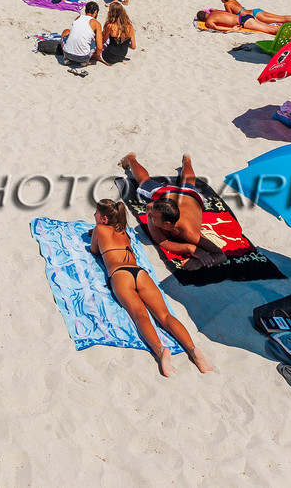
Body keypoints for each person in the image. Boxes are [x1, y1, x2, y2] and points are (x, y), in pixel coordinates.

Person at [90, 198, 214, 376]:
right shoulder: (123, 232)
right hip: (139, 273)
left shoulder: (99, 229)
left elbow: (94, 250)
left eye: (97, 213)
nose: (94, 215)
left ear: (104, 219)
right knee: (165, 315)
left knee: (140, 315)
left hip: (120, 274)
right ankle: (193, 349)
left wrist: (94, 235)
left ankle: (161, 351)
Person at [119, 154, 227, 270]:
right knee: (144, 182)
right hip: (170, 194)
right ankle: (131, 159)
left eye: (153, 216)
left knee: (189, 184)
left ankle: (187, 162)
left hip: (191, 197)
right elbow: (161, 241)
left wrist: (198, 263)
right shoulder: (152, 208)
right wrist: (189, 248)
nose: (148, 215)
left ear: (167, 224)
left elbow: (221, 255)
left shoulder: (190, 233)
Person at [60, 0, 101, 68]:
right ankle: (85, 61)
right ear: (96, 12)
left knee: (66, 31)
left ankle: (66, 59)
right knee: (94, 41)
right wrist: (97, 56)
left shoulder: (78, 18)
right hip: (83, 56)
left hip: (68, 53)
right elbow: (99, 47)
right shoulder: (96, 23)